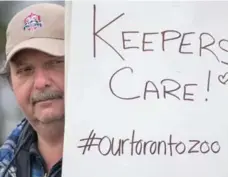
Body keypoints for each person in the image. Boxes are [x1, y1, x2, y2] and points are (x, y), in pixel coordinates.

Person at [0, 2, 65, 177]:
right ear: (11, 83)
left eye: (55, 62)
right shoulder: (4, 165)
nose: (41, 82)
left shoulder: (130, 156)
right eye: (25, 70)